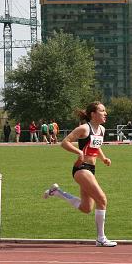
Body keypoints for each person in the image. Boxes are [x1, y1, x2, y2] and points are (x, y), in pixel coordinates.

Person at [43, 101, 116, 247]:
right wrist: (78, 152)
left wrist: (103, 158)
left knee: (86, 208)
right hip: (81, 168)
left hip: (91, 169)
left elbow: (96, 146)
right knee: (102, 199)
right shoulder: (84, 128)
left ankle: (56, 192)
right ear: (93, 114)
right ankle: (101, 238)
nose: (105, 113)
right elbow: (65, 142)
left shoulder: (101, 129)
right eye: (102, 111)